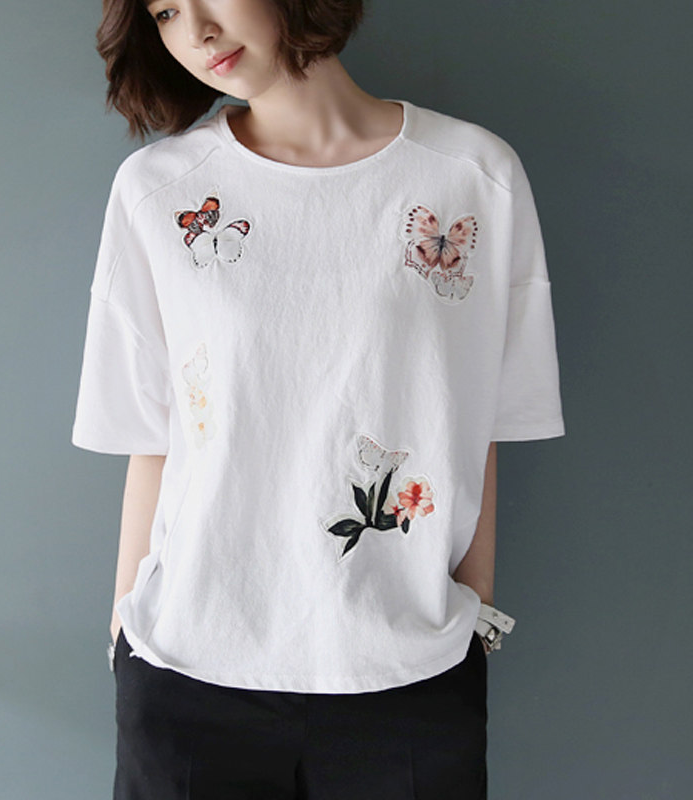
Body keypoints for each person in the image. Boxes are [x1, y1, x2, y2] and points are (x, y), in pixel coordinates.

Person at [71, 0, 565, 797]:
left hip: (408, 678)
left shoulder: (473, 176)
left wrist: (472, 617)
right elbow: (153, 436)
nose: (195, 30)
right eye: (163, 11)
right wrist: (122, 632)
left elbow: (484, 418)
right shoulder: (159, 192)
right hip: (187, 671)